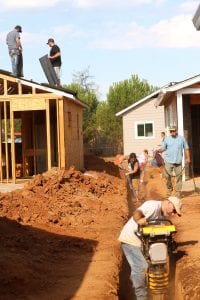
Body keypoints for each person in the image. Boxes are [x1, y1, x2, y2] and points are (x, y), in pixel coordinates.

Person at [118, 196, 182, 300]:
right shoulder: (152, 205)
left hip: (141, 242)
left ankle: (149, 289)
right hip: (131, 241)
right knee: (141, 267)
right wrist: (139, 220)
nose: (173, 214)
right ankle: (141, 297)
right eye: (174, 210)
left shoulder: (161, 216)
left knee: (154, 262)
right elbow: (137, 213)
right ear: (169, 203)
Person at [159, 125, 190, 198]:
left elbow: (186, 149)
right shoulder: (167, 139)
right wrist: (158, 150)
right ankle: (169, 189)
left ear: (176, 130)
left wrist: (188, 158)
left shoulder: (182, 139)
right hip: (168, 160)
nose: (172, 132)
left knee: (179, 177)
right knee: (167, 176)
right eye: (171, 131)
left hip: (178, 161)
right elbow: (163, 148)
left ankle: (177, 192)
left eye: (173, 131)